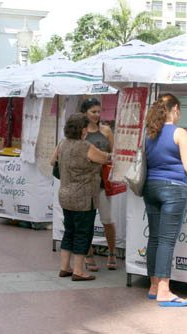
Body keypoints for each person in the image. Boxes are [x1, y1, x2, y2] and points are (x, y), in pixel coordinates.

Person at [143, 94, 187, 307]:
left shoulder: (150, 133)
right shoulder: (180, 133)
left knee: (155, 238)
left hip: (151, 187)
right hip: (174, 189)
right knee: (166, 240)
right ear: (175, 108)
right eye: (180, 110)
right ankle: (165, 292)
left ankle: (154, 286)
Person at [51, 113, 111, 281]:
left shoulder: (62, 144)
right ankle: (79, 271)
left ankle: (64, 267)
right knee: (83, 233)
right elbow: (103, 158)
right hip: (84, 198)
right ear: (83, 130)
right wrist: (111, 155)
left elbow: (51, 161)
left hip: (65, 195)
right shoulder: (86, 147)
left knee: (69, 231)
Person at [79, 97, 118, 271]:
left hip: (103, 182)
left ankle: (111, 253)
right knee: (86, 221)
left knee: (107, 219)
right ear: (84, 113)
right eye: (93, 111)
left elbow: (113, 153)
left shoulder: (106, 130)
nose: (96, 115)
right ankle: (88, 253)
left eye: (98, 111)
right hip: (85, 183)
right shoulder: (80, 132)